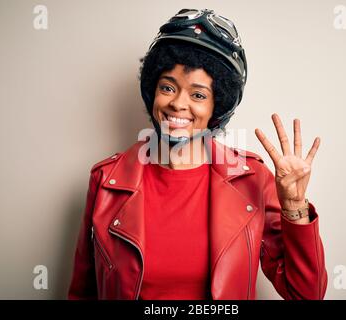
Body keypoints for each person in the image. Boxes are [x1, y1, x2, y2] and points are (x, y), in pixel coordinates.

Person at [68, 8, 327, 300]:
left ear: (218, 106)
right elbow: (82, 291)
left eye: (198, 94)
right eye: (168, 87)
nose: (178, 104)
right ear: (152, 90)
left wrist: (294, 206)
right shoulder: (105, 181)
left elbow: (306, 294)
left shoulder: (253, 179)